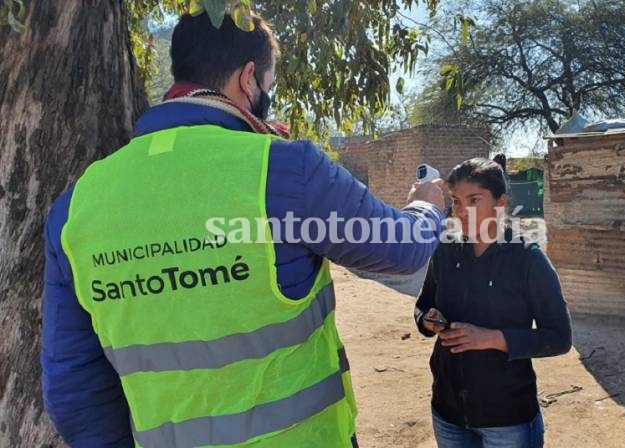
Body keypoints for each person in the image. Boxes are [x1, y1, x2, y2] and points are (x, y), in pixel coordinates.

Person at [41, 11, 445, 448]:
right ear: (249, 79)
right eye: (268, 87)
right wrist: (427, 202)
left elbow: (72, 390)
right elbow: (404, 248)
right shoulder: (286, 171)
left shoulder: (74, 209)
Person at [414, 158, 572, 448]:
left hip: (507, 419)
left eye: (474, 200)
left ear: (500, 203)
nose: (461, 212)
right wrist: (427, 319)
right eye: (456, 201)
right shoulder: (445, 251)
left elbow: (559, 338)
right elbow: (422, 305)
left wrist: (493, 338)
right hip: (448, 412)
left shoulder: (528, 259)